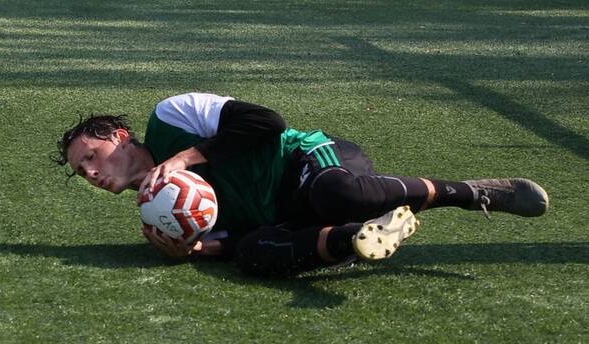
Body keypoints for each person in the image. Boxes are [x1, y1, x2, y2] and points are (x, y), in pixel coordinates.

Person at [53, 93, 549, 277]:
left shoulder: (170, 117)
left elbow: (266, 121)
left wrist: (185, 157)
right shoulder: (159, 211)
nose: (92, 174)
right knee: (252, 253)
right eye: (83, 173)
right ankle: (360, 237)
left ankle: (475, 193)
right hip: (290, 213)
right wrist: (195, 249)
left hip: (310, 160)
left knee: (336, 193)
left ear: (119, 137)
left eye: (91, 158)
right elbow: (235, 235)